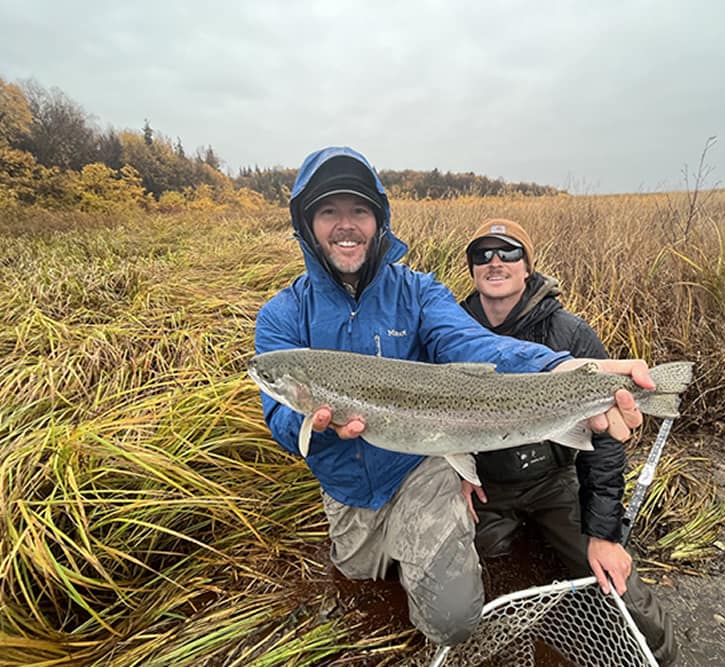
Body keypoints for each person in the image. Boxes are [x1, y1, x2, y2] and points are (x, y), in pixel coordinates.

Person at [254, 146, 654, 647]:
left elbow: (477, 346)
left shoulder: (420, 293)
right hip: (348, 489)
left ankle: (434, 564)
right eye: (329, 211)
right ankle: (404, 556)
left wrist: (560, 366)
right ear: (307, 224)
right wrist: (313, 424)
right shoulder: (281, 317)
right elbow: (281, 426)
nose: (346, 225)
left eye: (358, 210)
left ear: (378, 220)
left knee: (452, 620)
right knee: (360, 578)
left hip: (420, 470)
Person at [458, 218, 678, 664]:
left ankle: (662, 656)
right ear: (473, 269)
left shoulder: (570, 335)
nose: (495, 261)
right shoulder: (451, 333)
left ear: (528, 267)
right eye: (482, 254)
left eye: (508, 252)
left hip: (556, 480)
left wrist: (604, 533)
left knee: (621, 592)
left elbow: (605, 442)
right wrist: (451, 471)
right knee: (479, 584)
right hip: (483, 486)